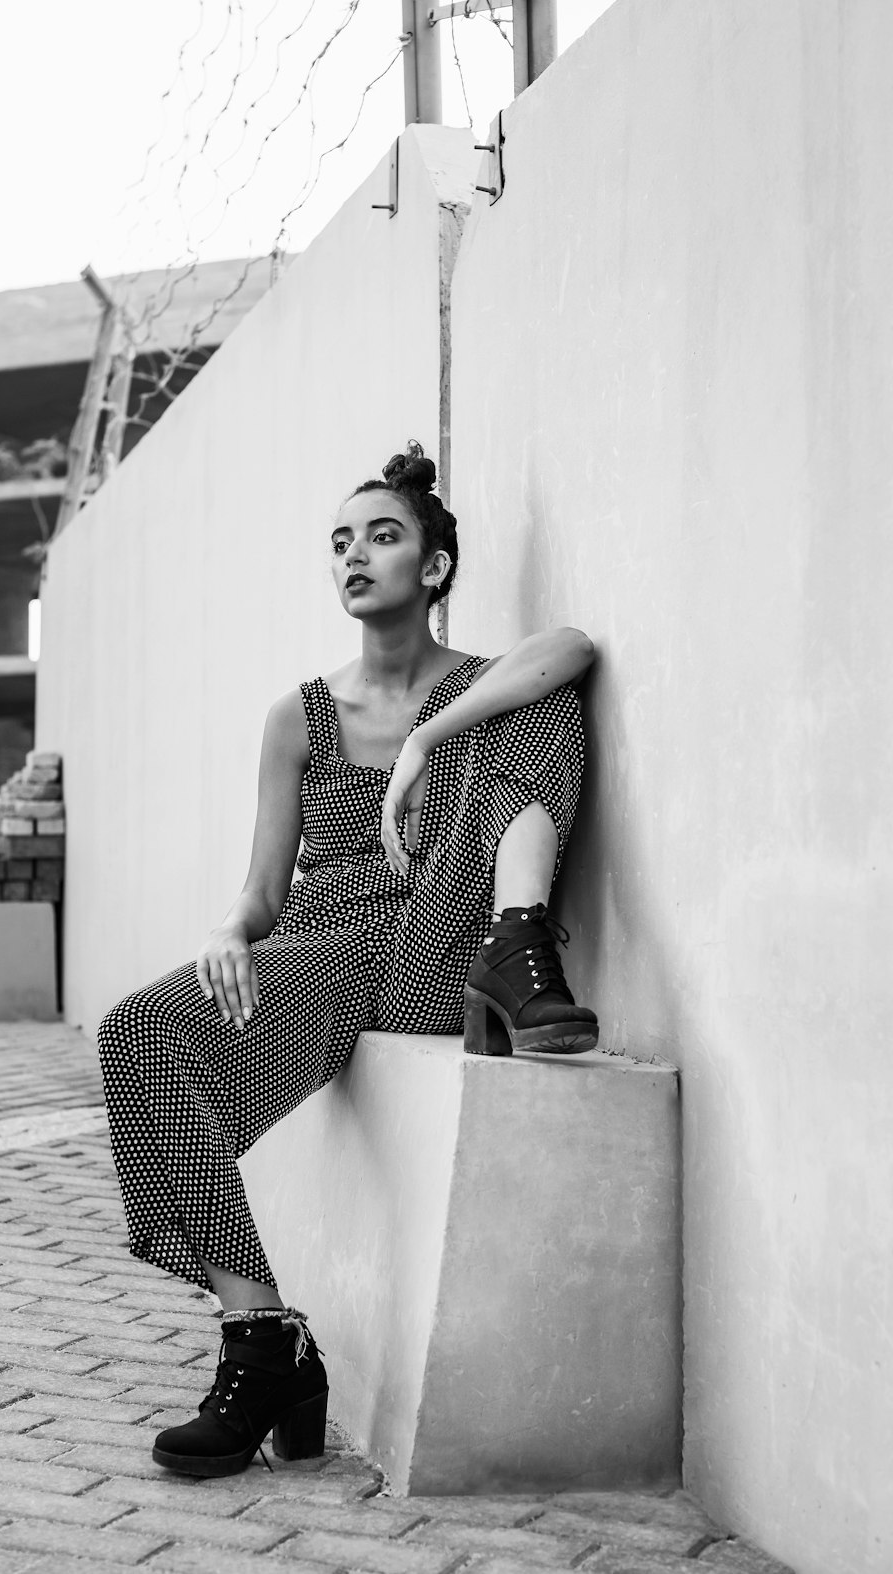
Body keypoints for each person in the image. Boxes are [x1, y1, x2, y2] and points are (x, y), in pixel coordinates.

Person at [97, 442, 598, 1480]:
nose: (355, 555)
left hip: (437, 941)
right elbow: (263, 889)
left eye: (382, 534)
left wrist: (428, 739)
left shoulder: (479, 690)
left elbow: (572, 646)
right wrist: (230, 931)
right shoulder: (297, 715)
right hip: (321, 948)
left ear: (435, 567)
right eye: (340, 541)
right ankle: (263, 1341)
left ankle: (521, 940)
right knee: (136, 1029)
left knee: (527, 700)